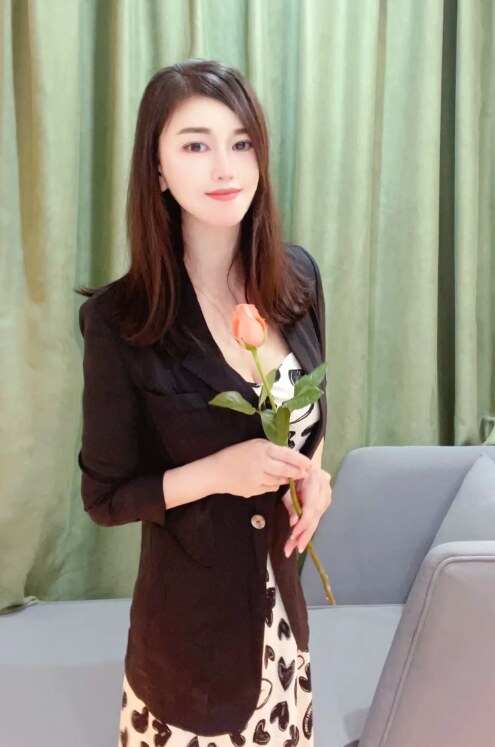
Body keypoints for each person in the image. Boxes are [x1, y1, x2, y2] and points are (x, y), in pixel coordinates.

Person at [75, 58, 331, 747]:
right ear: (157, 168)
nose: (225, 167)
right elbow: (105, 497)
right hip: (187, 652)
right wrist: (218, 472)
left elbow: (308, 423)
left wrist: (314, 474)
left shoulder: (298, 278)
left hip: (284, 630)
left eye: (241, 142)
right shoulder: (120, 321)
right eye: (195, 144)